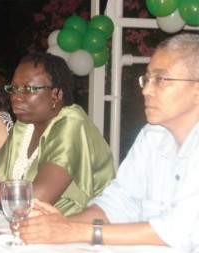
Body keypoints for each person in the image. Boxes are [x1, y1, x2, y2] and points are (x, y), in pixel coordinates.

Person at [17, 34, 199, 253]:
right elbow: (120, 202)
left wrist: (75, 231)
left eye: (160, 80)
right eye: (147, 79)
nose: (146, 90)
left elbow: (179, 231)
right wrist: (62, 224)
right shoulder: (153, 136)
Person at [0, 52, 114, 216]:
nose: (16, 96)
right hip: (36, 228)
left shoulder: (73, 125)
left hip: (82, 232)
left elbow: (38, 197)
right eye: (13, 88)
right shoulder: (25, 126)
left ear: (56, 94)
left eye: (27, 89)